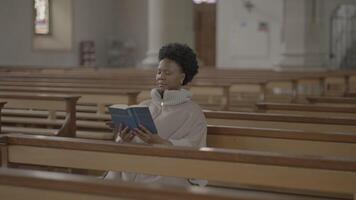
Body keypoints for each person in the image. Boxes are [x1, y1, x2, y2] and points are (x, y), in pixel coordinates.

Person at [105, 43, 207, 187]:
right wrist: (123, 137)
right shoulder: (144, 105)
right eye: (159, 72)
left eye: (168, 73)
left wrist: (158, 141)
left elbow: (194, 149)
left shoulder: (193, 113)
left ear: (182, 77)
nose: (161, 77)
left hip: (166, 176)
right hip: (130, 173)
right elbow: (123, 148)